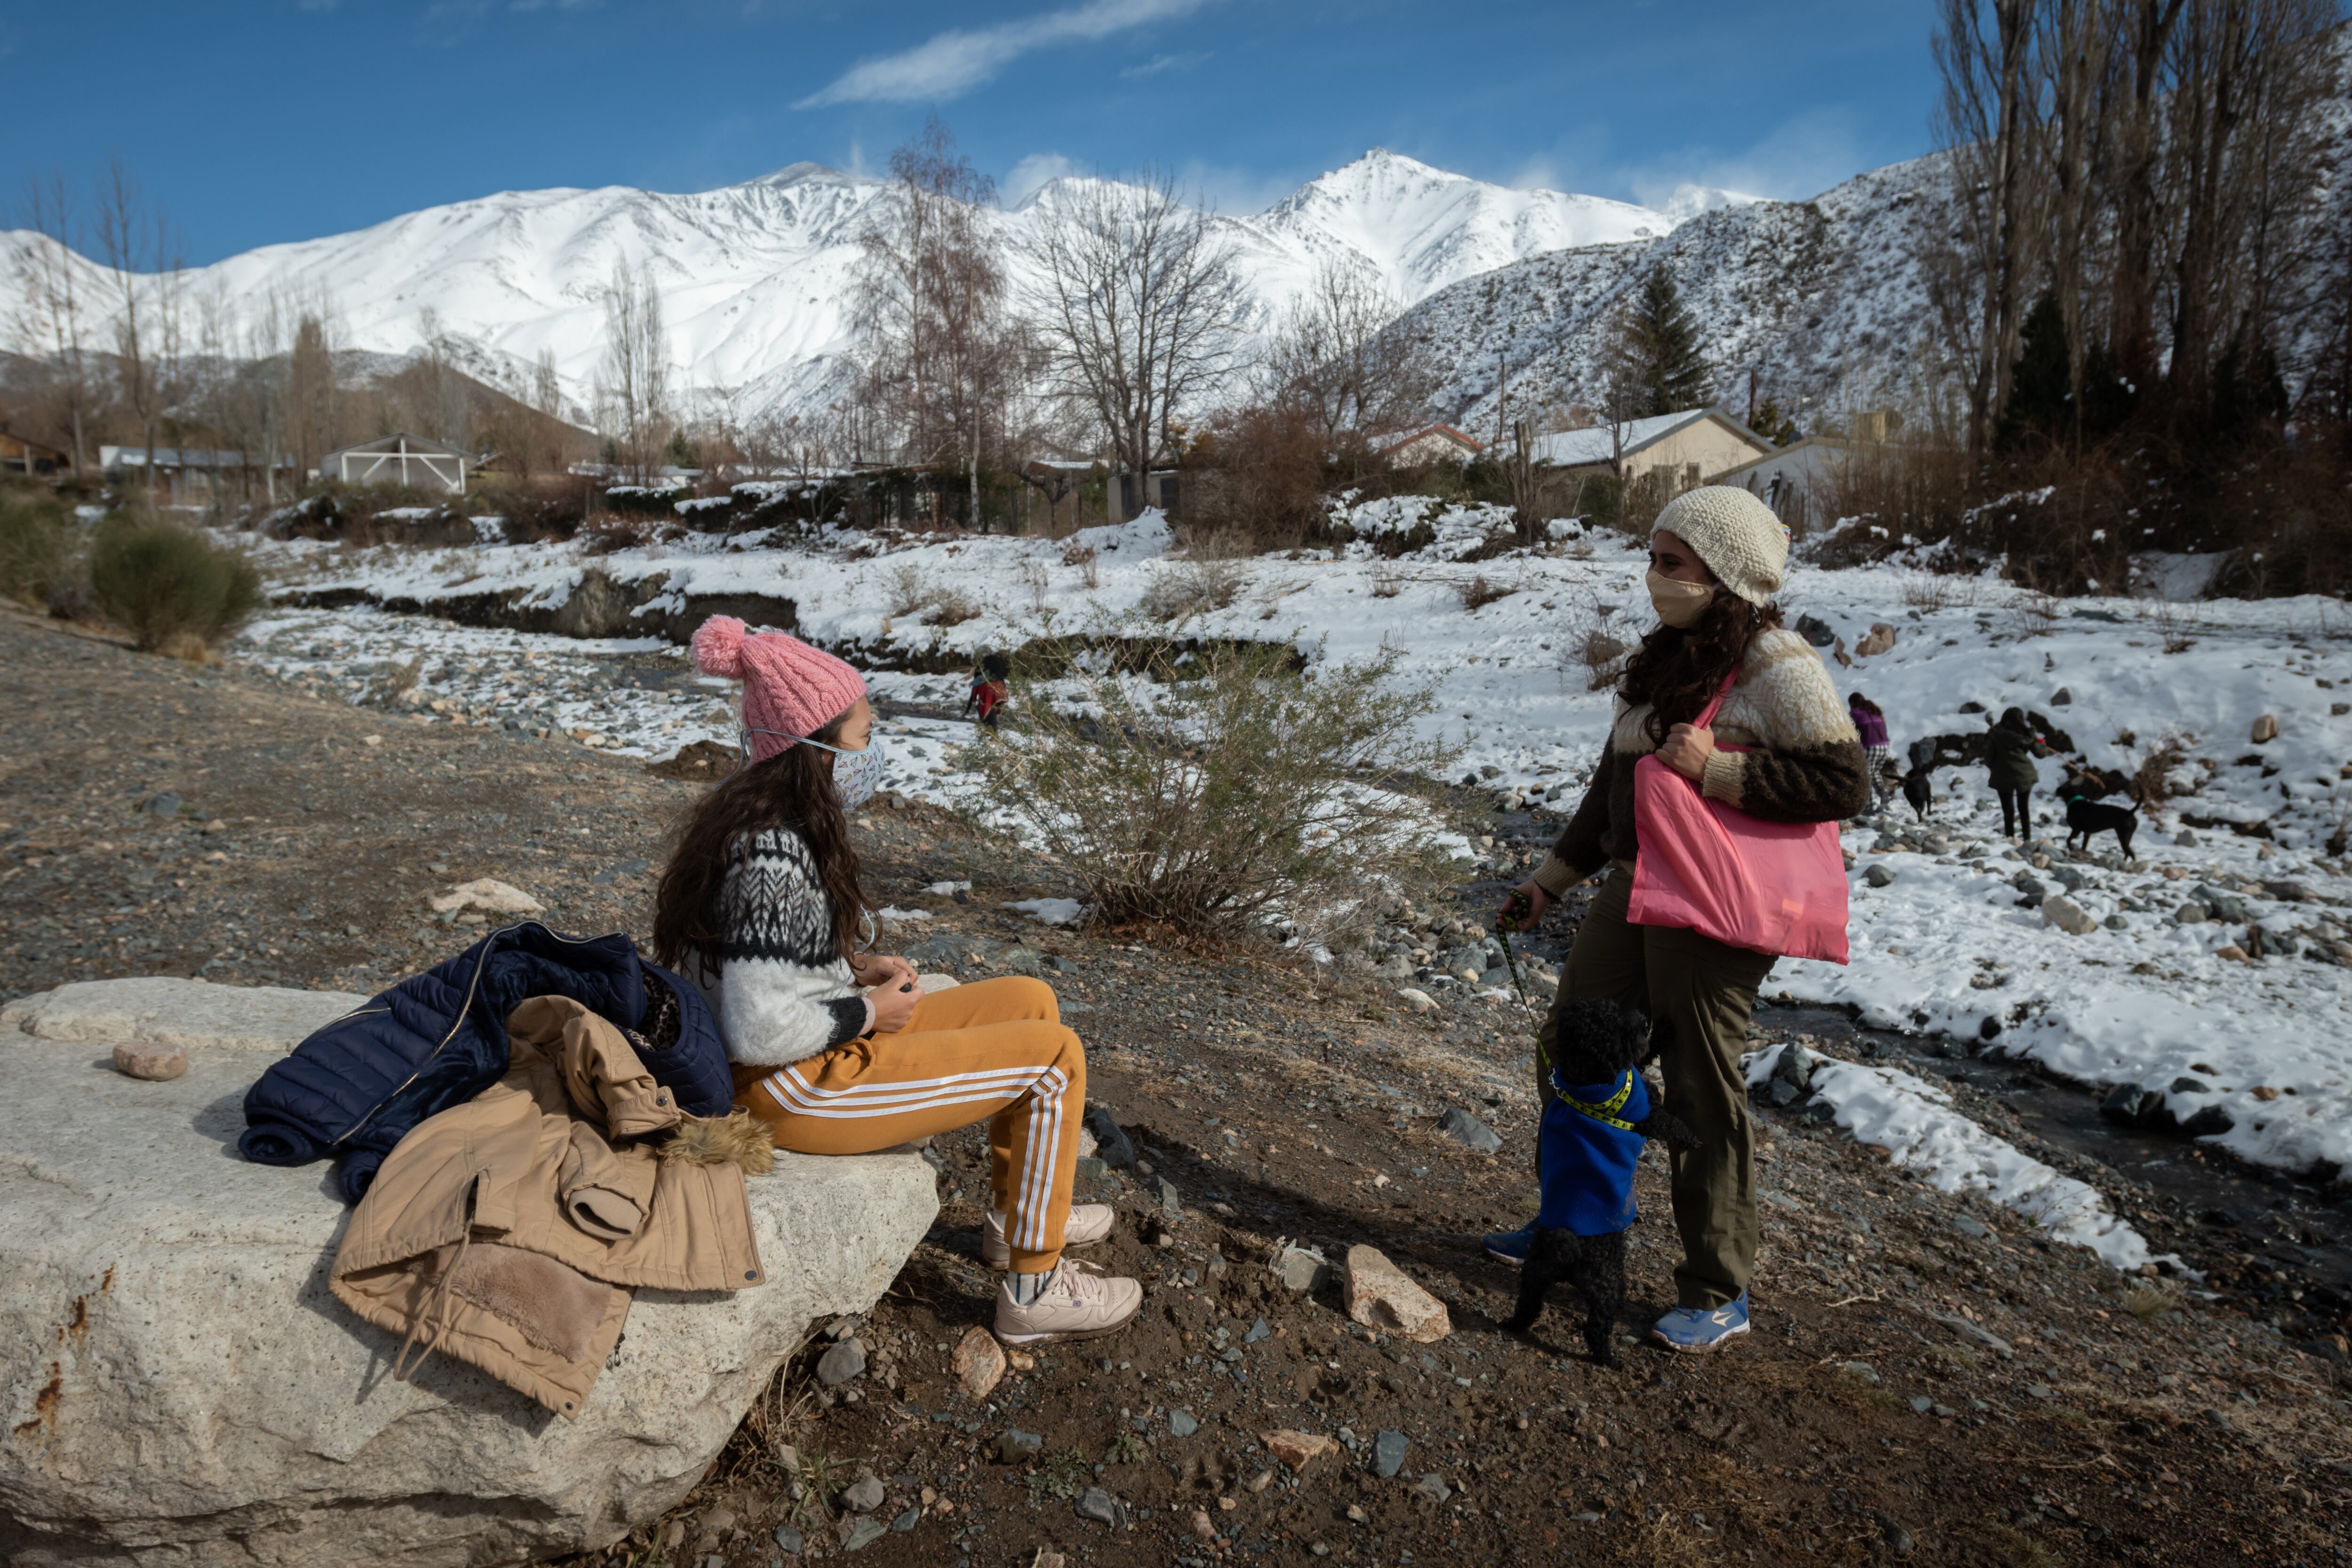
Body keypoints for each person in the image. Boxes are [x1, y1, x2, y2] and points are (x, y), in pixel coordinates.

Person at [652, 616, 1143, 1345]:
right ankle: (1034, 1291)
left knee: (1030, 1000)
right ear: (810, 751)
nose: (872, 750)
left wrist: (851, 969)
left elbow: (760, 966)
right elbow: (755, 1027)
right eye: (861, 735)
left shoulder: (760, 822)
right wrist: (868, 1011)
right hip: (793, 1086)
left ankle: (1019, 1220)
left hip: (797, 1059)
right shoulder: (774, 853)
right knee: (1054, 1057)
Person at [1485, 487, 1869, 1353]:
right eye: (1653, 557)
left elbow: (1847, 784)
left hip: (1714, 900)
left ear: (1725, 575)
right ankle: (1572, 1227)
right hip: (1635, 884)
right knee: (1567, 1046)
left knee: (1699, 1084)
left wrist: (1721, 771)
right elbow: (1608, 791)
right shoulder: (1660, 659)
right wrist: (1548, 881)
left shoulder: (1780, 662)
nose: (1653, 576)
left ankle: (1717, 1285)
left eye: (1672, 562)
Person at [1984, 706, 2054, 840]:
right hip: (2024, 775)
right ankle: (2027, 839)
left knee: (2008, 810)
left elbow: (1988, 759)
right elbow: (2040, 754)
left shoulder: (1997, 734)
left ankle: (2011, 839)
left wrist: (1995, 767)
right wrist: (2042, 744)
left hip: (2002, 776)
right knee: (2024, 808)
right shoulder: (2027, 735)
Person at [1848, 692, 1893, 812]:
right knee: (1873, 772)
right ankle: (1885, 795)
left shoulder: (1855, 713)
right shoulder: (1875, 711)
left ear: (1852, 703)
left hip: (1870, 747)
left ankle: (1868, 808)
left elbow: (1849, 731)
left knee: (1865, 777)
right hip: (1885, 747)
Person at [965, 652, 1011, 729]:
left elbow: (984, 676)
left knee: (986, 707)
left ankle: (990, 730)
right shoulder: (996, 661)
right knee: (993, 707)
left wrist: (973, 683)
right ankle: (992, 730)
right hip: (1000, 687)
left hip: (988, 687)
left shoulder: (984, 663)